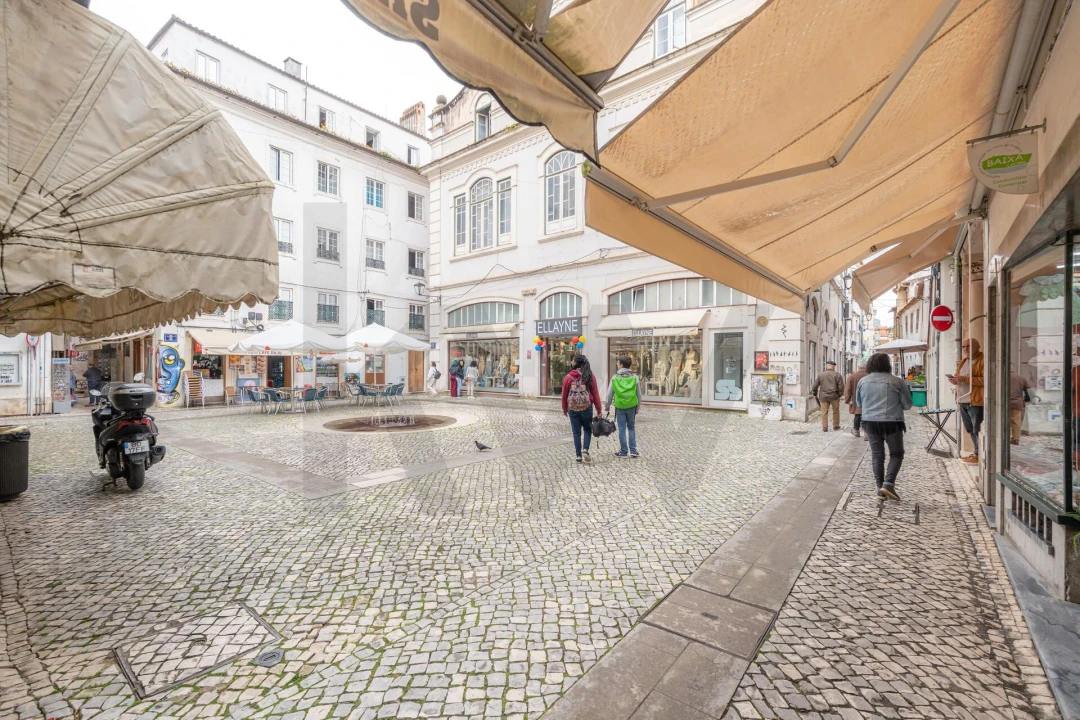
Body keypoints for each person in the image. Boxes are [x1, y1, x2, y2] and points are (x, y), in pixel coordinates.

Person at [856, 352, 913, 501]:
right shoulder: (897, 382)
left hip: (870, 422)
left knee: (877, 455)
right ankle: (888, 484)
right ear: (887, 365)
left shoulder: (863, 381)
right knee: (896, 454)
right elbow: (907, 405)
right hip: (892, 423)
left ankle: (880, 489)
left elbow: (859, 404)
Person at [561, 354, 602, 464]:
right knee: (588, 429)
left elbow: (564, 395)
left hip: (573, 409)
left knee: (576, 432)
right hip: (587, 408)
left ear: (575, 363)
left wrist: (564, 409)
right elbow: (596, 394)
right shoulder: (589, 376)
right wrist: (599, 410)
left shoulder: (568, 377)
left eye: (573, 361)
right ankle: (585, 450)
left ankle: (578, 456)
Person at [950, 337, 984, 464]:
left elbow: (985, 379)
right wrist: (954, 380)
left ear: (977, 347)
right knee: (969, 428)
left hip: (975, 400)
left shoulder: (982, 360)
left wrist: (965, 379)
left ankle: (979, 454)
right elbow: (960, 377)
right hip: (962, 399)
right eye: (963, 347)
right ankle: (976, 452)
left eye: (968, 346)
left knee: (977, 428)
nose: (965, 349)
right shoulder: (963, 361)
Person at [605, 355, 643, 458]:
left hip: (620, 406)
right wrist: (637, 408)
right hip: (632, 405)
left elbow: (609, 394)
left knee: (621, 428)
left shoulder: (615, 377)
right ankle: (633, 451)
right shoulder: (634, 377)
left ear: (621, 365)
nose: (617, 365)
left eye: (618, 363)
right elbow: (639, 394)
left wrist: (607, 406)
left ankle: (623, 451)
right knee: (631, 428)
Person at [812, 360, 845, 432]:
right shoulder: (837, 375)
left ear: (826, 366)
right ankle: (836, 425)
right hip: (834, 396)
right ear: (833, 367)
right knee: (836, 411)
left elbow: (815, 385)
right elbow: (841, 387)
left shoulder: (821, 374)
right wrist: (839, 394)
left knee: (824, 411)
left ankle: (825, 427)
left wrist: (814, 393)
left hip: (824, 396)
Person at [843, 361, 869, 439]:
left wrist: (847, 400)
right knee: (867, 416)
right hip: (868, 399)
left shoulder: (851, 377)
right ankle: (866, 433)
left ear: (858, 367)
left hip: (855, 400)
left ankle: (856, 430)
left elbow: (847, 390)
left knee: (857, 415)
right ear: (866, 367)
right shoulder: (869, 376)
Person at [1008, 365, 1032, 445]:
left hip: (1004, 403)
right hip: (1017, 403)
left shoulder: (1002, 377)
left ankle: (1004, 437)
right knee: (1016, 421)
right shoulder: (1021, 378)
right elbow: (1029, 391)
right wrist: (1025, 399)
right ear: (1013, 367)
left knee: (1003, 420)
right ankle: (1015, 438)